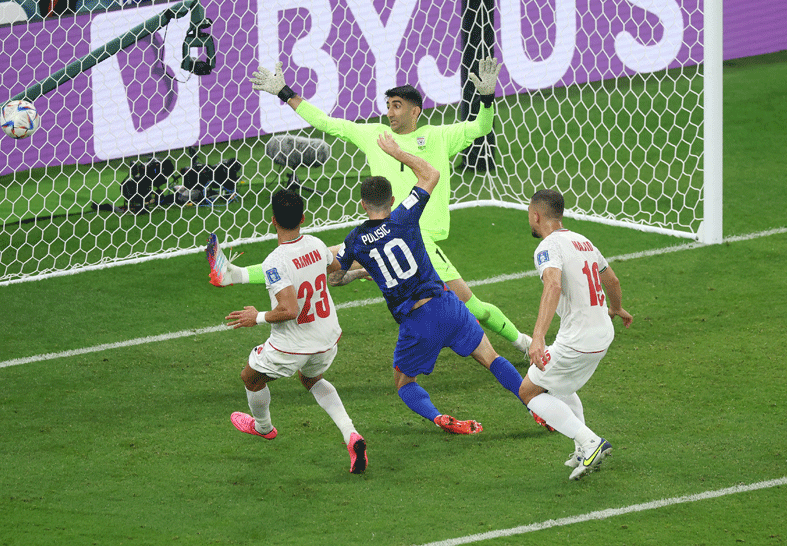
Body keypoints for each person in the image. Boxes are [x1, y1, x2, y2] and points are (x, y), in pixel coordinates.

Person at [239, 57, 533, 357]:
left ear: (415, 111)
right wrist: (285, 93)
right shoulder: (374, 135)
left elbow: (483, 126)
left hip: (422, 242)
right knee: (312, 259)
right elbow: (327, 123)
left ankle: (523, 343)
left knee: (475, 309)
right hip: (384, 235)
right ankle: (233, 274)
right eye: (389, 105)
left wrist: (487, 98)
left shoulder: (439, 137)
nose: (390, 112)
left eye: (397, 106)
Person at [328, 132, 532, 435]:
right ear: (392, 200)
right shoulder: (405, 215)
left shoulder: (355, 241)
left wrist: (360, 271)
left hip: (416, 321)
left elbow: (334, 277)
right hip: (448, 305)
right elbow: (431, 174)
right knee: (492, 358)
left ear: (362, 204)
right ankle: (536, 407)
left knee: (404, 384)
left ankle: (438, 417)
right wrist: (397, 152)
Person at [206, 189, 368, 474]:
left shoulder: (275, 260)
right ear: (303, 218)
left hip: (293, 344)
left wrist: (256, 317)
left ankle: (263, 427)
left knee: (250, 378)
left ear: (273, 220)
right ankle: (351, 434)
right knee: (311, 378)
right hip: (327, 338)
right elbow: (336, 273)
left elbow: (289, 309)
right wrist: (363, 272)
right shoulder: (317, 244)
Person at [519, 189, 633, 480]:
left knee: (529, 391)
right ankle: (583, 450)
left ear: (536, 215)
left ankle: (590, 442)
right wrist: (616, 308)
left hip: (578, 340)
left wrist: (538, 337)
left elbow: (553, 285)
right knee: (560, 386)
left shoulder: (547, 247)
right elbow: (612, 280)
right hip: (602, 334)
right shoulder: (584, 242)